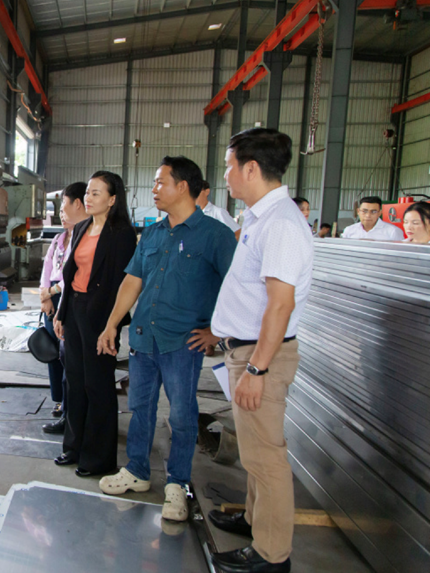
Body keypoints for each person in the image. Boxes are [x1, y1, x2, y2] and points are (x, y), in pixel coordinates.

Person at [197, 128, 313, 573]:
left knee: (267, 458)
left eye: (229, 166)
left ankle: (271, 555)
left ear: (250, 168)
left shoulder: (281, 223)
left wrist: (258, 370)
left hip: (260, 356)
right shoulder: (262, 217)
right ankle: (253, 519)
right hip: (245, 350)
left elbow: (280, 305)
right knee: (254, 451)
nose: (225, 175)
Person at [96, 157, 237, 522]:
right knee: (140, 408)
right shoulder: (153, 233)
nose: (154, 189)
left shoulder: (215, 235)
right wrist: (112, 325)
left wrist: (217, 331)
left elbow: (236, 287)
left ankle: (178, 482)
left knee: (182, 414)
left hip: (182, 343)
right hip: (145, 337)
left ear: (183, 187)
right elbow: (133, 281)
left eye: (160, 182)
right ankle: (138, 471)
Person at [52, 171, 137, 477]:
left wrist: (110, 325)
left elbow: (120, 284)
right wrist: (61, 314)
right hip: (75, 308)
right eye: (88, 192)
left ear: (112, 200)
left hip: (101, 314)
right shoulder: (81, 227)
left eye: (96, 193)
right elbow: (69, 275)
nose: (88, 198)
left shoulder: (121, 234)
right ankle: (73, 447)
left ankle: (99, 458)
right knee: (75, 381)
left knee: (97, 384)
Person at [39, 181, 88, 433]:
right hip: (52, 299)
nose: (60, 212)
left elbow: (73, 275)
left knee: (68, 355)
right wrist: (44, 295)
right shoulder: (59, 238)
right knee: (53, 353)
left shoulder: (84, 238)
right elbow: (47, 268)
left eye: (63, 206)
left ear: (78, 204)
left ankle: (71, 410)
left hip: (66, 297)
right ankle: (59, 400)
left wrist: (52, 291)